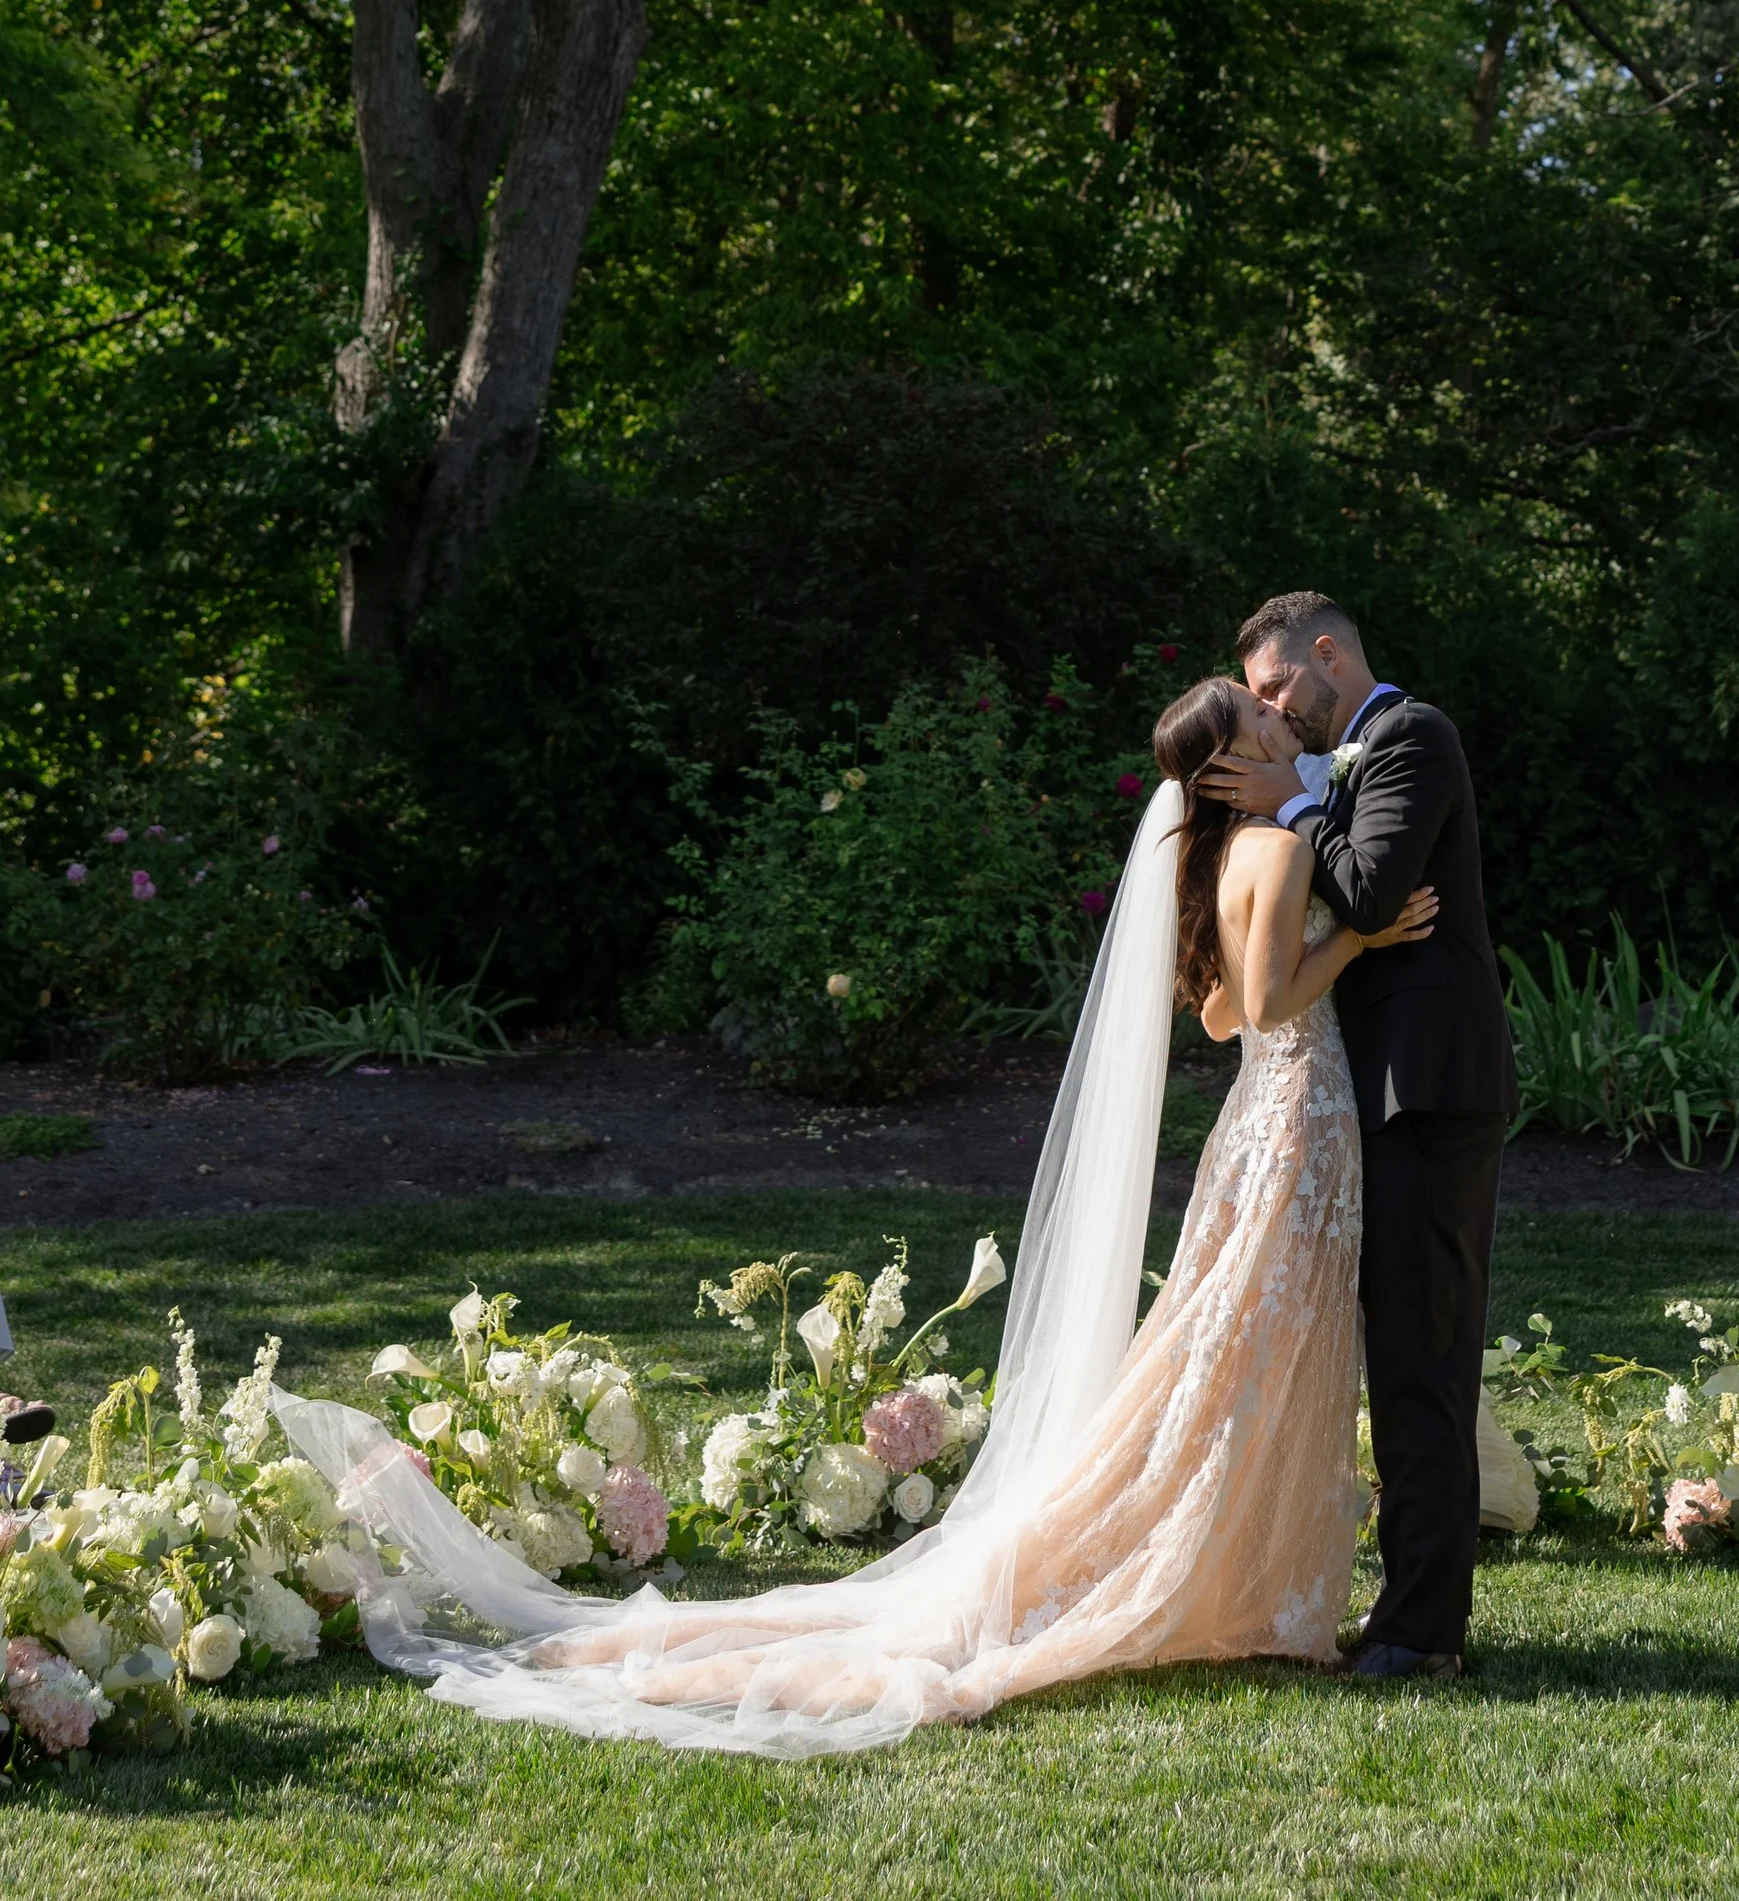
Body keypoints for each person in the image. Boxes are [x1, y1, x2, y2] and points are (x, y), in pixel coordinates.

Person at [268, 672, 1434, 1758]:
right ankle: (1236, 1578)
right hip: (1301, 1121)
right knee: (1256, 1348)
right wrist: (1365, 938)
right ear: (1234, 760)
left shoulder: (1230, 851)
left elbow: (1225, 1020)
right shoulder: (1278, 846)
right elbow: (1273, 999)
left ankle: (1246, 1573)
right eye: (1262, 718)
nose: (1285, 721)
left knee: (1236, 1348)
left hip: (1262, 1115)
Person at [1203, 587, 1515, 1682]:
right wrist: (1296, 802)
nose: (1276, 715)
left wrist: (1295, 804)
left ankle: (1422, 1631)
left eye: (1280, 686)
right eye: (1258, 703)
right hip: (1360, 1096)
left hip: (1426, 1089)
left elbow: (1378, 891)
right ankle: (1382, 1604)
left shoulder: (1411, 735)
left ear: (1330, 654)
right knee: (1377, 1353)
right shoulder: (1331, 766)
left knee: (1421, 1359)